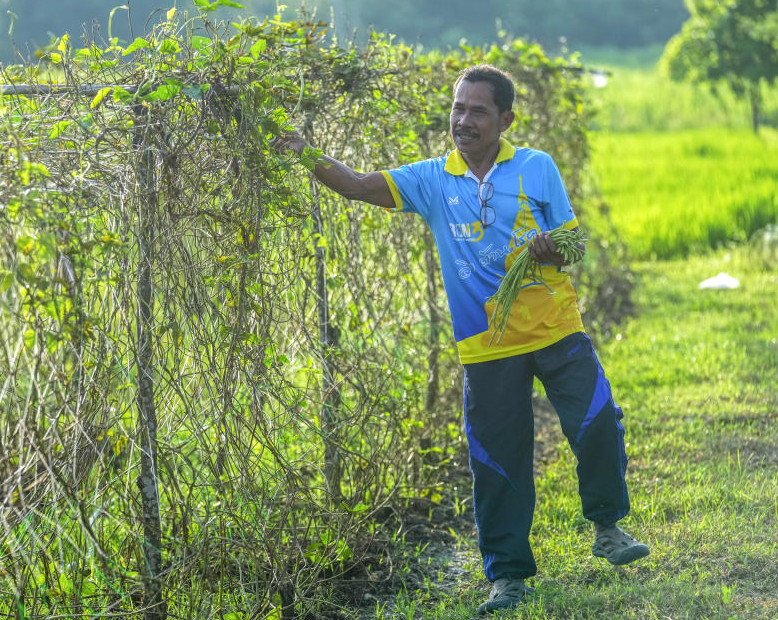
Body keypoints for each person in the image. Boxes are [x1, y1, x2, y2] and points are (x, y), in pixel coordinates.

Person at [272, 64, 649, 615]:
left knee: (596, 421)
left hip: (556, 328)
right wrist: (305, 152)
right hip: (487, 346)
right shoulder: (431, 179)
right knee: (496, 461)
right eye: (458, 108)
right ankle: (508, 577)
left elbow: (572, 243)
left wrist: (552, 249)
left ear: (505, 119)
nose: (463, 120)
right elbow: (355, 185)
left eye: (477, 111)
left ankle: (607, 526)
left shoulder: (537, 168)